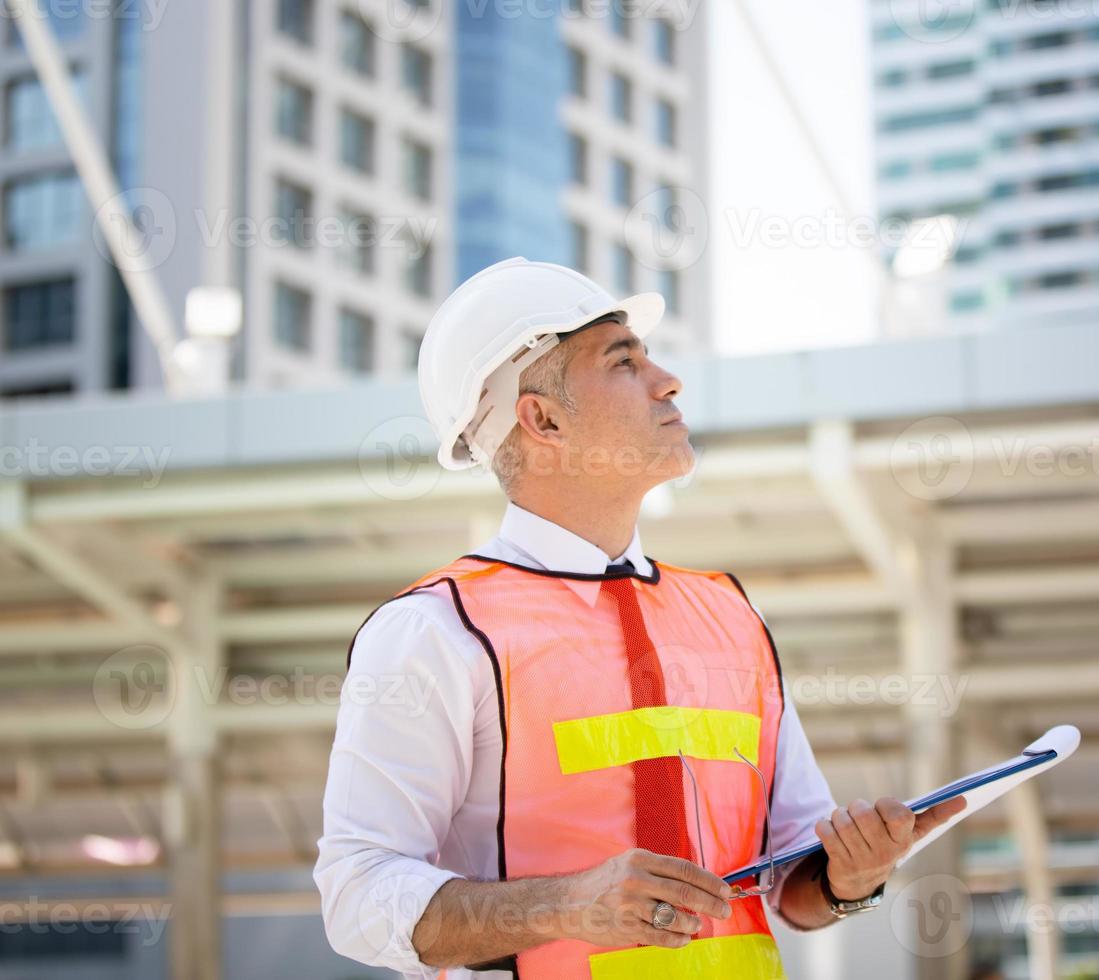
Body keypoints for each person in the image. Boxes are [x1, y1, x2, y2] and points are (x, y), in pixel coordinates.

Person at [315, 258, 965, 978]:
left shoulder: (729, 614)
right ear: (542, 419)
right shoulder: (435, 632)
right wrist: (565, 904)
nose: (668, 382)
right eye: (623, 362)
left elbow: (792, 885)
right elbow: (357, 895)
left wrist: (852, 877)